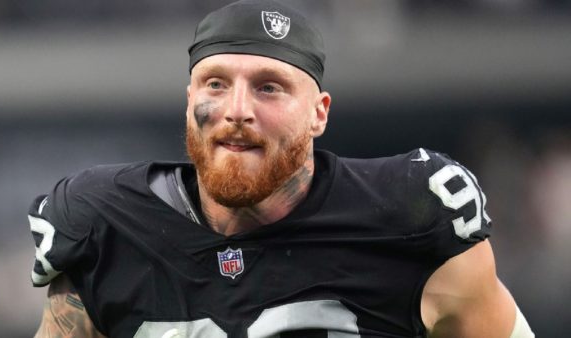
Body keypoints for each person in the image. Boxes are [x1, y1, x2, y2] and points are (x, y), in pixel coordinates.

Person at [28, 1, 534, 337]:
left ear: (320, 113)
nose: (237, 110)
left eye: (269, 87)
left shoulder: (412, 213)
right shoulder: (104, 221)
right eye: (216, 84)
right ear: (189, 101)